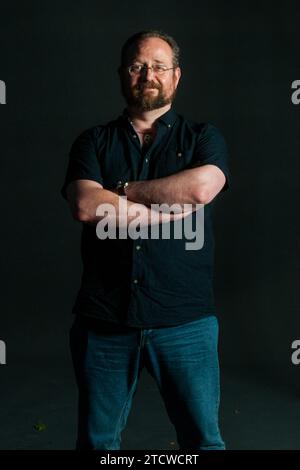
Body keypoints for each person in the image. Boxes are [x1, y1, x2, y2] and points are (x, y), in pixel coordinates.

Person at [61, 29, 231, 450]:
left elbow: (199, 190)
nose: (147, 75)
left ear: (176, 76)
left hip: (185, 321)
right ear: (123, 74)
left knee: (202, 442)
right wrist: (166, 205)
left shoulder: (203, 138)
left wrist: (119, 191)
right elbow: (85, 205)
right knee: (98, 443)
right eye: (138, 66)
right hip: (104, 321)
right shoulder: (93, 141)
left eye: (158, 66)